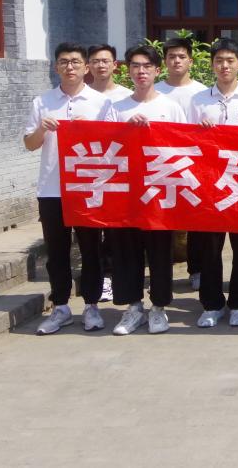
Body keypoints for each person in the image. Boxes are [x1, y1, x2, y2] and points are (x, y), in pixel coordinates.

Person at [27, 43, 117, 335]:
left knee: (91, 249)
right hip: (52, 188)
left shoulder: (101, 103)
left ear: (85, 67)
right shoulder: (42, 102)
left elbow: (113, 145)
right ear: (56, 67)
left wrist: (89, 128)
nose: (70, 67)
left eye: (75, 62)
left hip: (88, 187)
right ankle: (61, 307)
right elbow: (29, 144)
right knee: (57, 251)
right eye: (64, 62)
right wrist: (42, 129)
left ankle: (91, 305)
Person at [188, 39, 238, 329]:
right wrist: (201, 133)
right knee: (210, 248)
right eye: (219, 61)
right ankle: (212, 304)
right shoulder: (199, 100)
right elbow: (187, 141)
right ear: (212, 65)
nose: (224, 66)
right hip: (209, 183)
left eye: (230, 61)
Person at [109, 45, 186, 335]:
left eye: (146, 66)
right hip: (126, 193)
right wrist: (126, 129)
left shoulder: (171, 107)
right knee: (126, 251)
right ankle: (133, 308)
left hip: (159, 192)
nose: (141, 72)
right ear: (128, 70)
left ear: (157, 70)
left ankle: (159, 308)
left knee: (160, 252)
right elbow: (105, 149)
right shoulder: (116, 108)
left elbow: (183, 146)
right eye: (135, 66)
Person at [154, 37, 209, 290]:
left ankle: (196, 269)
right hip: (162, 164)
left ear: (191, 61)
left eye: (181, 57)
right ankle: (161, 272)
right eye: (171, 57)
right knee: (163, 220)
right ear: (164, 62)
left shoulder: (202, 93)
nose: (176, 61)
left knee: (196, 220)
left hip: (194, 164)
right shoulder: (155, 90)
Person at [85, 43, 131, 303]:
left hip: (120, 172)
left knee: (115, 229)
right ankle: (97, 279)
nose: (100, 65)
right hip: (90, 171)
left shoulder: (126, 97)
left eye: (105, 61)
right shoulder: (80, 96)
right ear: (88, 66)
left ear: (115, 65)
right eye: (95, 61)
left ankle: (114, 276)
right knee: (92, 228)